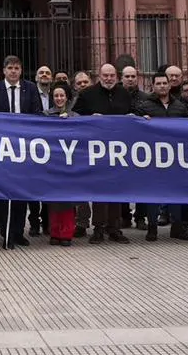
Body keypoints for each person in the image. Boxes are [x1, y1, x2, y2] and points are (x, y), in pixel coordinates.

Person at [0, 54, 43, 249]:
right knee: (4, 192)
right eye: (10, 68)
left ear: (21, 70)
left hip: (23, 147)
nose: (14, 71)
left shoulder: (30, 88)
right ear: (4, 71)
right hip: (1, 147)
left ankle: (18, 231)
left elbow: (37, 114)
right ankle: (6, 231)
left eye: (17, 68)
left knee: (21, 192)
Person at [74, 63, 138, 244]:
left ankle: (114, 228)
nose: (109, 78)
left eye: (112, 75)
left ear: (116, 77)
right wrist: (89, 118)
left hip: (119, 151)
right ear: (99, 76)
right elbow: (75, 116)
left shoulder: (124, 94)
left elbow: (132, 114)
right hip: (96, 151)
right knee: (100, 190)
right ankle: (99, 228)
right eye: (105, 75)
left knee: (116, 190)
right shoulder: (87, 94)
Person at [138, 73, 188, 241]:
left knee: (176, 193)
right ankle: (152, 228)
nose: (162, 86)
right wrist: (140, 120)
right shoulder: (144, 106)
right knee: (153, 193)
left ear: (170, 86)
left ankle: (177, 227)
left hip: (175, 157)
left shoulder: (180, 107)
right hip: (152, 158)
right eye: (158, 83)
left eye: (164, 83)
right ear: (153, 86)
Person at [44, 82, 81, 246]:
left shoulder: (76, 116)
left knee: (68, 201)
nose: (59, 98)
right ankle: (54, 232)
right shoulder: (45, 115)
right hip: (52, 164)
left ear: (67, 97)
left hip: (69, 165)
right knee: (53, 201)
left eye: (62, 95)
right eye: (56, 96)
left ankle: (66, 233)